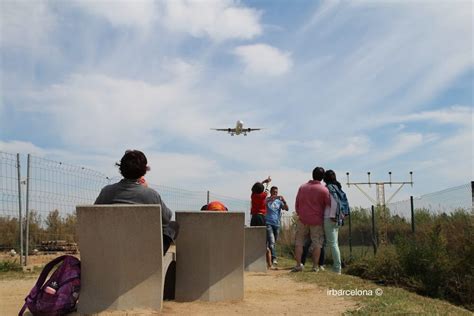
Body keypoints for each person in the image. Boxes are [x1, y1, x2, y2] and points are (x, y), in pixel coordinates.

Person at [94, 150, 178, 255]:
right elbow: (167, 218)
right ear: (144, 171)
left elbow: (94, 218)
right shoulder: (151, 194)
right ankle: (156, 256)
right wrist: (146, 188)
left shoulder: (106, 192)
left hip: (112, 250)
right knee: (172, 226)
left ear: (121, 169)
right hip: (144, 253)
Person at [292, 167, 330, 272]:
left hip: (302, 219)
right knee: (317, 243)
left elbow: (297, 203)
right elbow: (329, 204)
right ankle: (315, 266)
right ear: (322, 177)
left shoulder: (302, 187)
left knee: (299, 242)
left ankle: (298, 265)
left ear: (312, 174)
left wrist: (300, 213)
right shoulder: (324, 190)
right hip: (317, 221)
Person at [323, 169, 348, 274]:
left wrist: (333, 215)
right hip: (337, 218)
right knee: (334, 243)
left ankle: (337, 268)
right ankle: (337, 267)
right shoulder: (338, 187)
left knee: (332, 244)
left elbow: (334, 201)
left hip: (330, 217)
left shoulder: (329, 188)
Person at [265, 186, 289, 265]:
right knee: (271, 242)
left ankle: (269, 259)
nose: (275, 193)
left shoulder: (279, 201)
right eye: (274, 192)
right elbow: (264, 202)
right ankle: (274, 258)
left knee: (273, 243)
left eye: (276, 192)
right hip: (268, 223)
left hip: (277, 224)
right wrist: (273, 197)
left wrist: (284, 201)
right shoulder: (267, 200)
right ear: (271, 192)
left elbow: (286, 208)